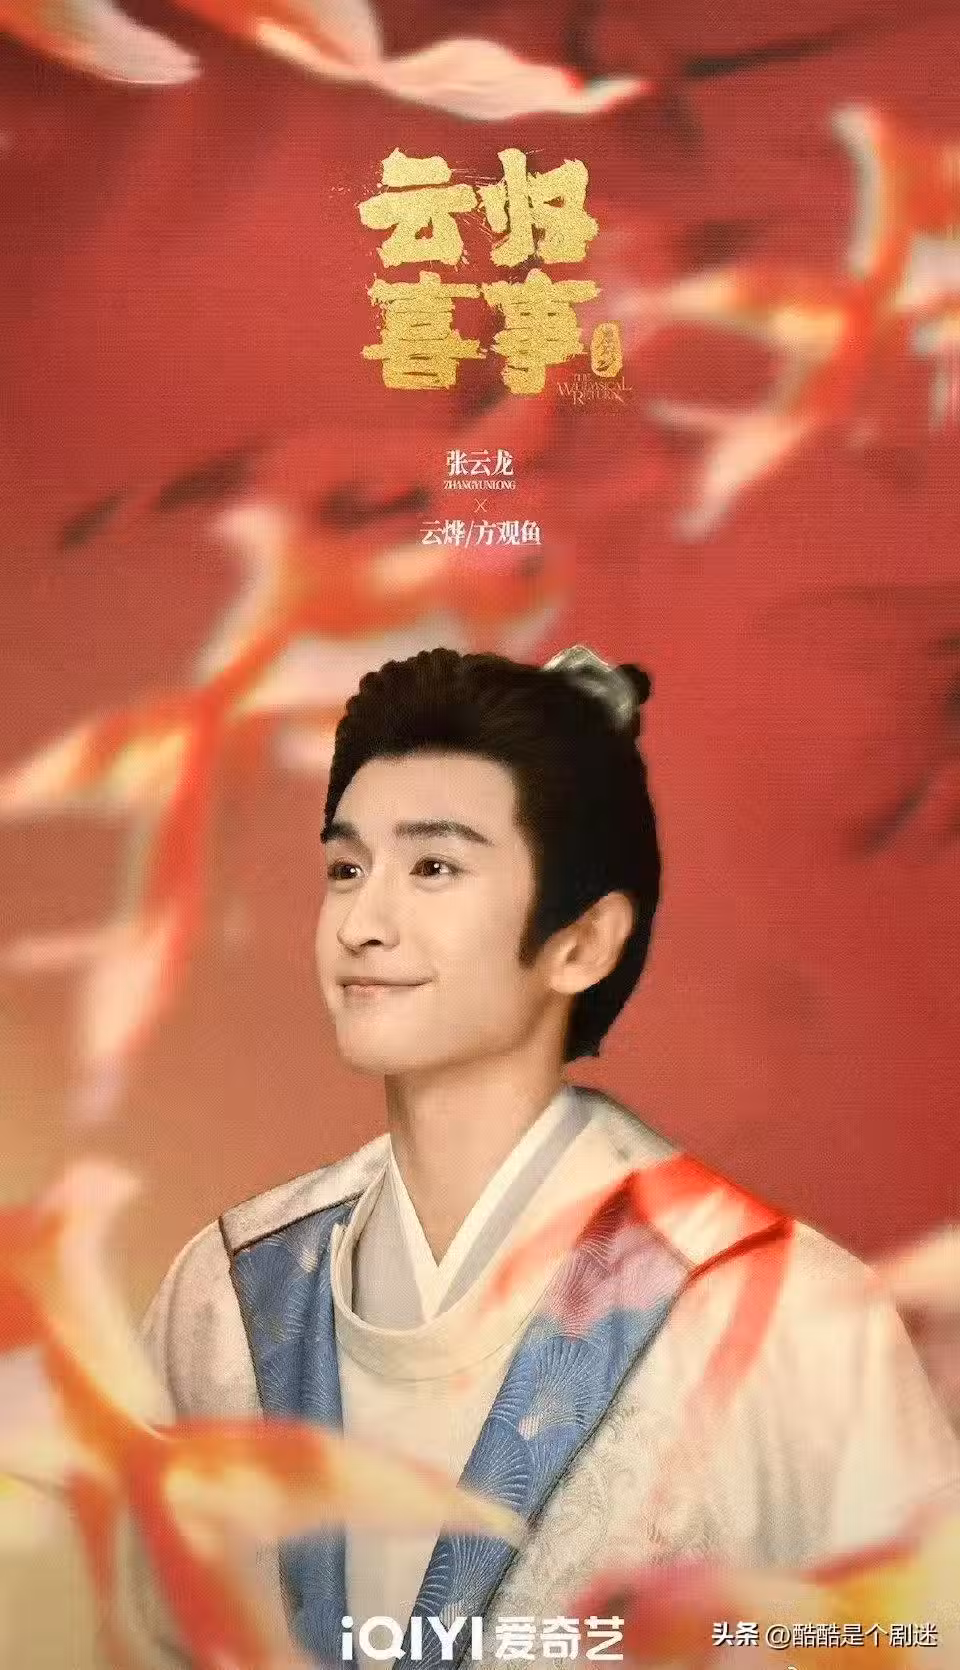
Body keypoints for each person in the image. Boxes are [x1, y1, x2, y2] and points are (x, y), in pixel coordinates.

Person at [128, 644, 960, 1670]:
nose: (362, 923)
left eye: (433, 867)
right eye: (346, 868)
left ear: (582, 942)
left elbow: (919, 1634)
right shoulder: (223, 1294)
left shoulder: (780, 1307)